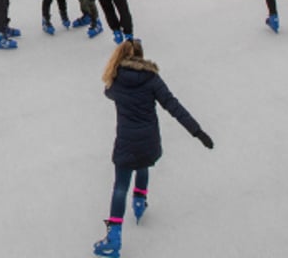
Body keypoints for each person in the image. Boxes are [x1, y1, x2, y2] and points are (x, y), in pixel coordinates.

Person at [92, 40, 214, 258]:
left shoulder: (116, 80)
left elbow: (107, 93)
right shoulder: (152, 79)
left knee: (120, 187)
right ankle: (139, 199)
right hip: (149, 140)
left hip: (126, 141)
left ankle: (113, 238)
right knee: (143, 163)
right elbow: (174, 106)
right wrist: (198, 132)